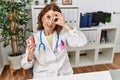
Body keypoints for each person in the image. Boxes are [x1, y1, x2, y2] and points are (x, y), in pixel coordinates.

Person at [21, 3, 87, 79]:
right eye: (48, 17)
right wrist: (30, 54)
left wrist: (64, 24)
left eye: (55, 19)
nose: (51, 22)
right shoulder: (34, 39)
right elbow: (25, 65)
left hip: (64, 75)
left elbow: (82, 42)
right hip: (43, 76)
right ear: (42, 18)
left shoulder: (63, 34)